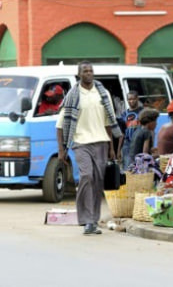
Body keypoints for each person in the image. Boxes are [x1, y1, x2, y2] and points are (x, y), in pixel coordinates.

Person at [56, 61, 122, 235]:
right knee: (87, 176)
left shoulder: (103, 93)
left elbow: (109, 122)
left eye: (91, 70)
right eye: (85, 71)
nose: (89, 73)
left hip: (101, 142)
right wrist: (62, 150)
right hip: (80, 143)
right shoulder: (73, 95)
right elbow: (60, 125)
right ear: (79, 75)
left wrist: (111, 147)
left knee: (98, 181)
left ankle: (93, 221)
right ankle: (85, 220)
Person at [117, 91, 144, 170]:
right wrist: (119, 150)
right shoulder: (124, 115)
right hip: (127, 144)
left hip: (140, 144)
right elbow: (122, 134)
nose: (131, 101)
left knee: (140, 168)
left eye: (133, 99)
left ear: (137, 99)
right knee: (128, 169)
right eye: (129, 99)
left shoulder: (143, 112)